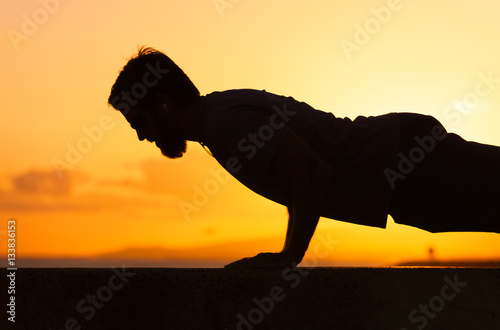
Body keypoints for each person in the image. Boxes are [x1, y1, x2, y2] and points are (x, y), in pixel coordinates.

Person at [108, 47, 500, 269]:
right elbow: (302, 179)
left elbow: (313, 173)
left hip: (407, 162)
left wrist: (287, 258)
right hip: (402, 178)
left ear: (162, 104)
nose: (142, 134)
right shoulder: (218, 126)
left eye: (138, 122)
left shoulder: (225, 121)